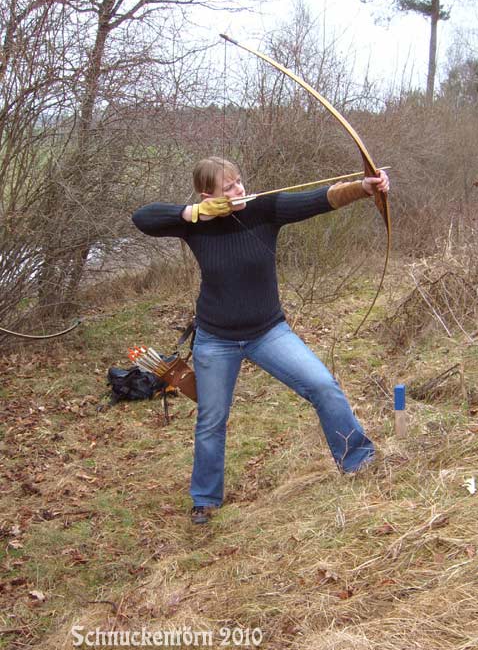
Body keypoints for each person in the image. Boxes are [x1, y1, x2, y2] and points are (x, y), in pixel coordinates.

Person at [132, 157, 390, 524]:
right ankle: (205, 499)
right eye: (229, 187)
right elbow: (142, 218)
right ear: (208, 196)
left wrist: (364, 188)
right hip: (215, 339)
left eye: (239, 182)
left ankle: (358, 460)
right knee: (211, 419)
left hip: (268, 332)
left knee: (322, 385)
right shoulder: (194, 225)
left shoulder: (263, 209)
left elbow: (319, 198)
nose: (239, 190)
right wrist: (193, 213)